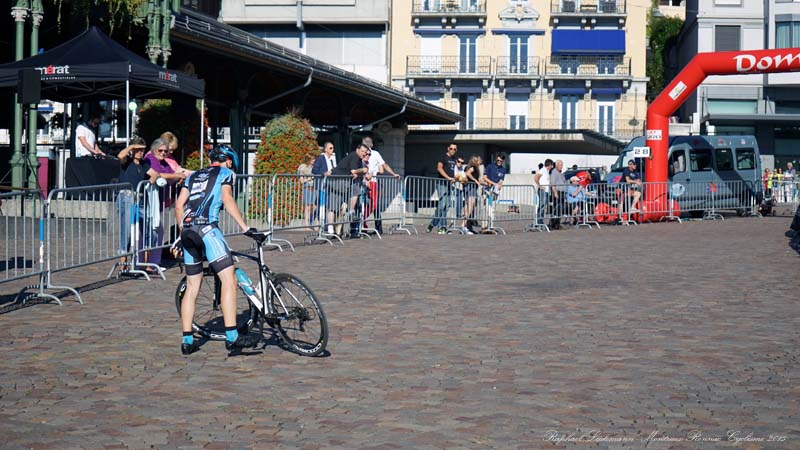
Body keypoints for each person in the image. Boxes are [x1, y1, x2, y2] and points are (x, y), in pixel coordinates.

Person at [174, 145, 256, 355]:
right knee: (229, 280)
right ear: (228, 161)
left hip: (188, 231)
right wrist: (245, 228)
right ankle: (232, 336)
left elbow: (179, 205)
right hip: (208, 230)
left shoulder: (193, 176)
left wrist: (182, 233)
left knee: (192, 286)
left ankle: (187, 341)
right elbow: (227, 199)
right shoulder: (226, 173)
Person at [141, 138, 187, 272]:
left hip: (158, 202)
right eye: (160, 150)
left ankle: (154, 263)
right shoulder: (150, 159)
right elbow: (158, 174)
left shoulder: (164, 162)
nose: (163, 153)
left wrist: (177, 177)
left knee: (158, 232)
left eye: (165, 151)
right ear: (154, 150)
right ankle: (147, 264)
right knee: (150, 233)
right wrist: (176, 175)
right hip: (147, 201)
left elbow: (171, 176)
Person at [116, 138, 153, 263]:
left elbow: (154, 173)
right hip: (127, 196)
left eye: (142, 150)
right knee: (126, 230)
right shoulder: (126, 161)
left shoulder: (143, 164)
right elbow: (120, 156)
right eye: (138, 150)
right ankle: (123, 261)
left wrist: (154, 178)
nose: (140, 152)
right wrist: (132, 147)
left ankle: (145, 262)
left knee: (147, 228)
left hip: (140, 198)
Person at [362, 136, 401, 234]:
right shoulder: (371, 153)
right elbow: (384, 166)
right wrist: (393, 174)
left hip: (371, 181)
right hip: (366, 181)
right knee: (368, 204)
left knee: (372, 204)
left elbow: (383, 166)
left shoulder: (374, 154)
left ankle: (363, 222)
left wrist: (393, 173)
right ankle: (362, 222)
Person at [332, 144, 370, 238]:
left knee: (341, 207)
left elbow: (353, 172)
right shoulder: (355, 156)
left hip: (341, 181)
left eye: (365, 152)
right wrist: (363, 170)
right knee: (338, 206)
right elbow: (354, 171)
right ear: (357, 150)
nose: (364, 154)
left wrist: (358, 173)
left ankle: (342, 229)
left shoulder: (357, 158)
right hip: (338, 181)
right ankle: (350, 213)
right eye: (362, 151)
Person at [427, 143, 458, 234]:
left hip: (449, 184)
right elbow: (439, 168)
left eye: (454, 149)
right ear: (448, 148)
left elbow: (456, 172)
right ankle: (442, 226)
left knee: (447, 206)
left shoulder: (454, 160)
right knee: (442, 205)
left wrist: (456, 178)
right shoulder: (443, 157)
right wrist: (448, 178)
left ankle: (433, 223)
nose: (452, 150)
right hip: (442, 183)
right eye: (451, 148)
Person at [312, 142, 337, 234]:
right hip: (322, 185)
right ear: (325, 149)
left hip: (331, 185)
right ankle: (320, 224)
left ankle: (328, 226)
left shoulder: (332, 159)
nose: (332, 150)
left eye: (333, 148)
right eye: (330, 148)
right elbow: (314, 170)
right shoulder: (321, 158)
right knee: (321, 205)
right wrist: (324, 173)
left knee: (330, 205)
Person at [462, 155, 483, 234]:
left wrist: (480, 182)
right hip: (471, 188)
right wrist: (475, 180)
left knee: (468, 207)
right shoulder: (473, 167)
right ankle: (463, 225)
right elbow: (468, 173)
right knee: (470, 207)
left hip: (471, 188)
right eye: (478, 161)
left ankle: (466, 226)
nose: (480, 162)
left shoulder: (474, 168)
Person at [297, 153, 317, 230]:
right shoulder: (303, 167)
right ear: (308, 159)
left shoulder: (315, 166)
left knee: (315, 206)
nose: (314, 160)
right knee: (307, 206)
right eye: (312, 159)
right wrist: (310, 178)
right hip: (308, 187)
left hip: (315, 187)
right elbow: (301, 181)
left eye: (314, 159)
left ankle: (314, 223)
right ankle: (306, 224)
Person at [534, 159, 553, 226]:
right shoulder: (543, 170)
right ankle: (539, 221)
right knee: (541, 206)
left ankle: (540, 220)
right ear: (549, 165)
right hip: (543, 191)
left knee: (543, 206)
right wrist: (540, 185)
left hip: (546, 191)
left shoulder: (547, 171)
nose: (552, 167)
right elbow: (536, 177)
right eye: (551, 165)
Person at [550, 160, 567, 229]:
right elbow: (553, 183)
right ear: (556, 165)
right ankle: (554, 224)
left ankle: (557, 223)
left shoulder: (560, 173)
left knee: (560, 209)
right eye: (560, 165)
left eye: (562, 165)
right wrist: (555, 193)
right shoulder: (554, 172)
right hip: (557, 192)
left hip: (562, 193)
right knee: (556, 209)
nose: (561, 166)